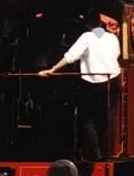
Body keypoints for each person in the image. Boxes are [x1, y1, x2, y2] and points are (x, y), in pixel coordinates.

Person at [38, 14, 121, 159]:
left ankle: (94, 154)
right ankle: (106, 152)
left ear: (88, 25)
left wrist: (52, 69)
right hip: (112, 81)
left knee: (86, 119)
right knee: (108, 119)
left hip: (93, 83)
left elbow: (70, 56)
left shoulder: (87, 37)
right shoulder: (112, 38)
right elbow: (116, 55)